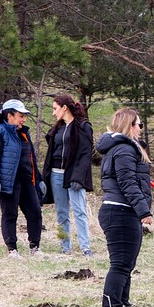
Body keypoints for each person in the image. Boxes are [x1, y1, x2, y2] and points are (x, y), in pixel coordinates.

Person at [97, 108, 154, 307]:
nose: (141, 129)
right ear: (129, 125)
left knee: (126, 264)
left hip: (122, 211)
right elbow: (127, 183)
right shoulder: (124, 150)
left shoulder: (123, 149)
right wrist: (144, 211)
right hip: (119, 211)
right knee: (120, 264)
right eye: (139, 124)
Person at [0, 99, 46, 257]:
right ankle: (12, 249)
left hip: (27, 180)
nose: (24, 119)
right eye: (21, 115)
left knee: (35, 212)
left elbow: (31, 157)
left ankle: (35, 247)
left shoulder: (24, 133)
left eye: (24, 116)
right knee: (10, 214)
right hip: (8, 182)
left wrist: (39, 180)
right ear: (9, 116)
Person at [42, 94, 94, 256]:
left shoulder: (83, 127)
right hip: (56, 176)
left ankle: (85, 247)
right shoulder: (57, 128)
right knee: (61, 213)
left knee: (79, 211)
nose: (53, 113)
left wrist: (79, 177)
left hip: (73, 177)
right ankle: (65, 247)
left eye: (55, 109)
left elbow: (85, 154)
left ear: (64, 108)